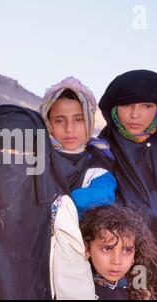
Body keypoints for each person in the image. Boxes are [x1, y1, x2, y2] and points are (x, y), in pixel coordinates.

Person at [0, 105, 95, 299]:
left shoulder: (58, 209)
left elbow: (76, 290)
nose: (10, 159)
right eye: (0, 151)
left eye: (20, 151)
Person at [98, 69, 157, 299]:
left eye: (146, 106)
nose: (135, 114)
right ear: (113, 110)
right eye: (127, 105)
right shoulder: (100, 152)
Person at [39, 76, 117, 217]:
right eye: (59, 120)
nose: (69, 128)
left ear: (89, 120)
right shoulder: (36, 158)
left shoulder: (98, 161)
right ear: (48, 124)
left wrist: (62, 203)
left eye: (78, 119)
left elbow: (102, 196)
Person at [80, 205, 157, 300]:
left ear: (135, 254)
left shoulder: (140, 292)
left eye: (126, 250)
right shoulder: (75, 290)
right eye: (107, 249)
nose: (117, 261)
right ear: (87, 249)